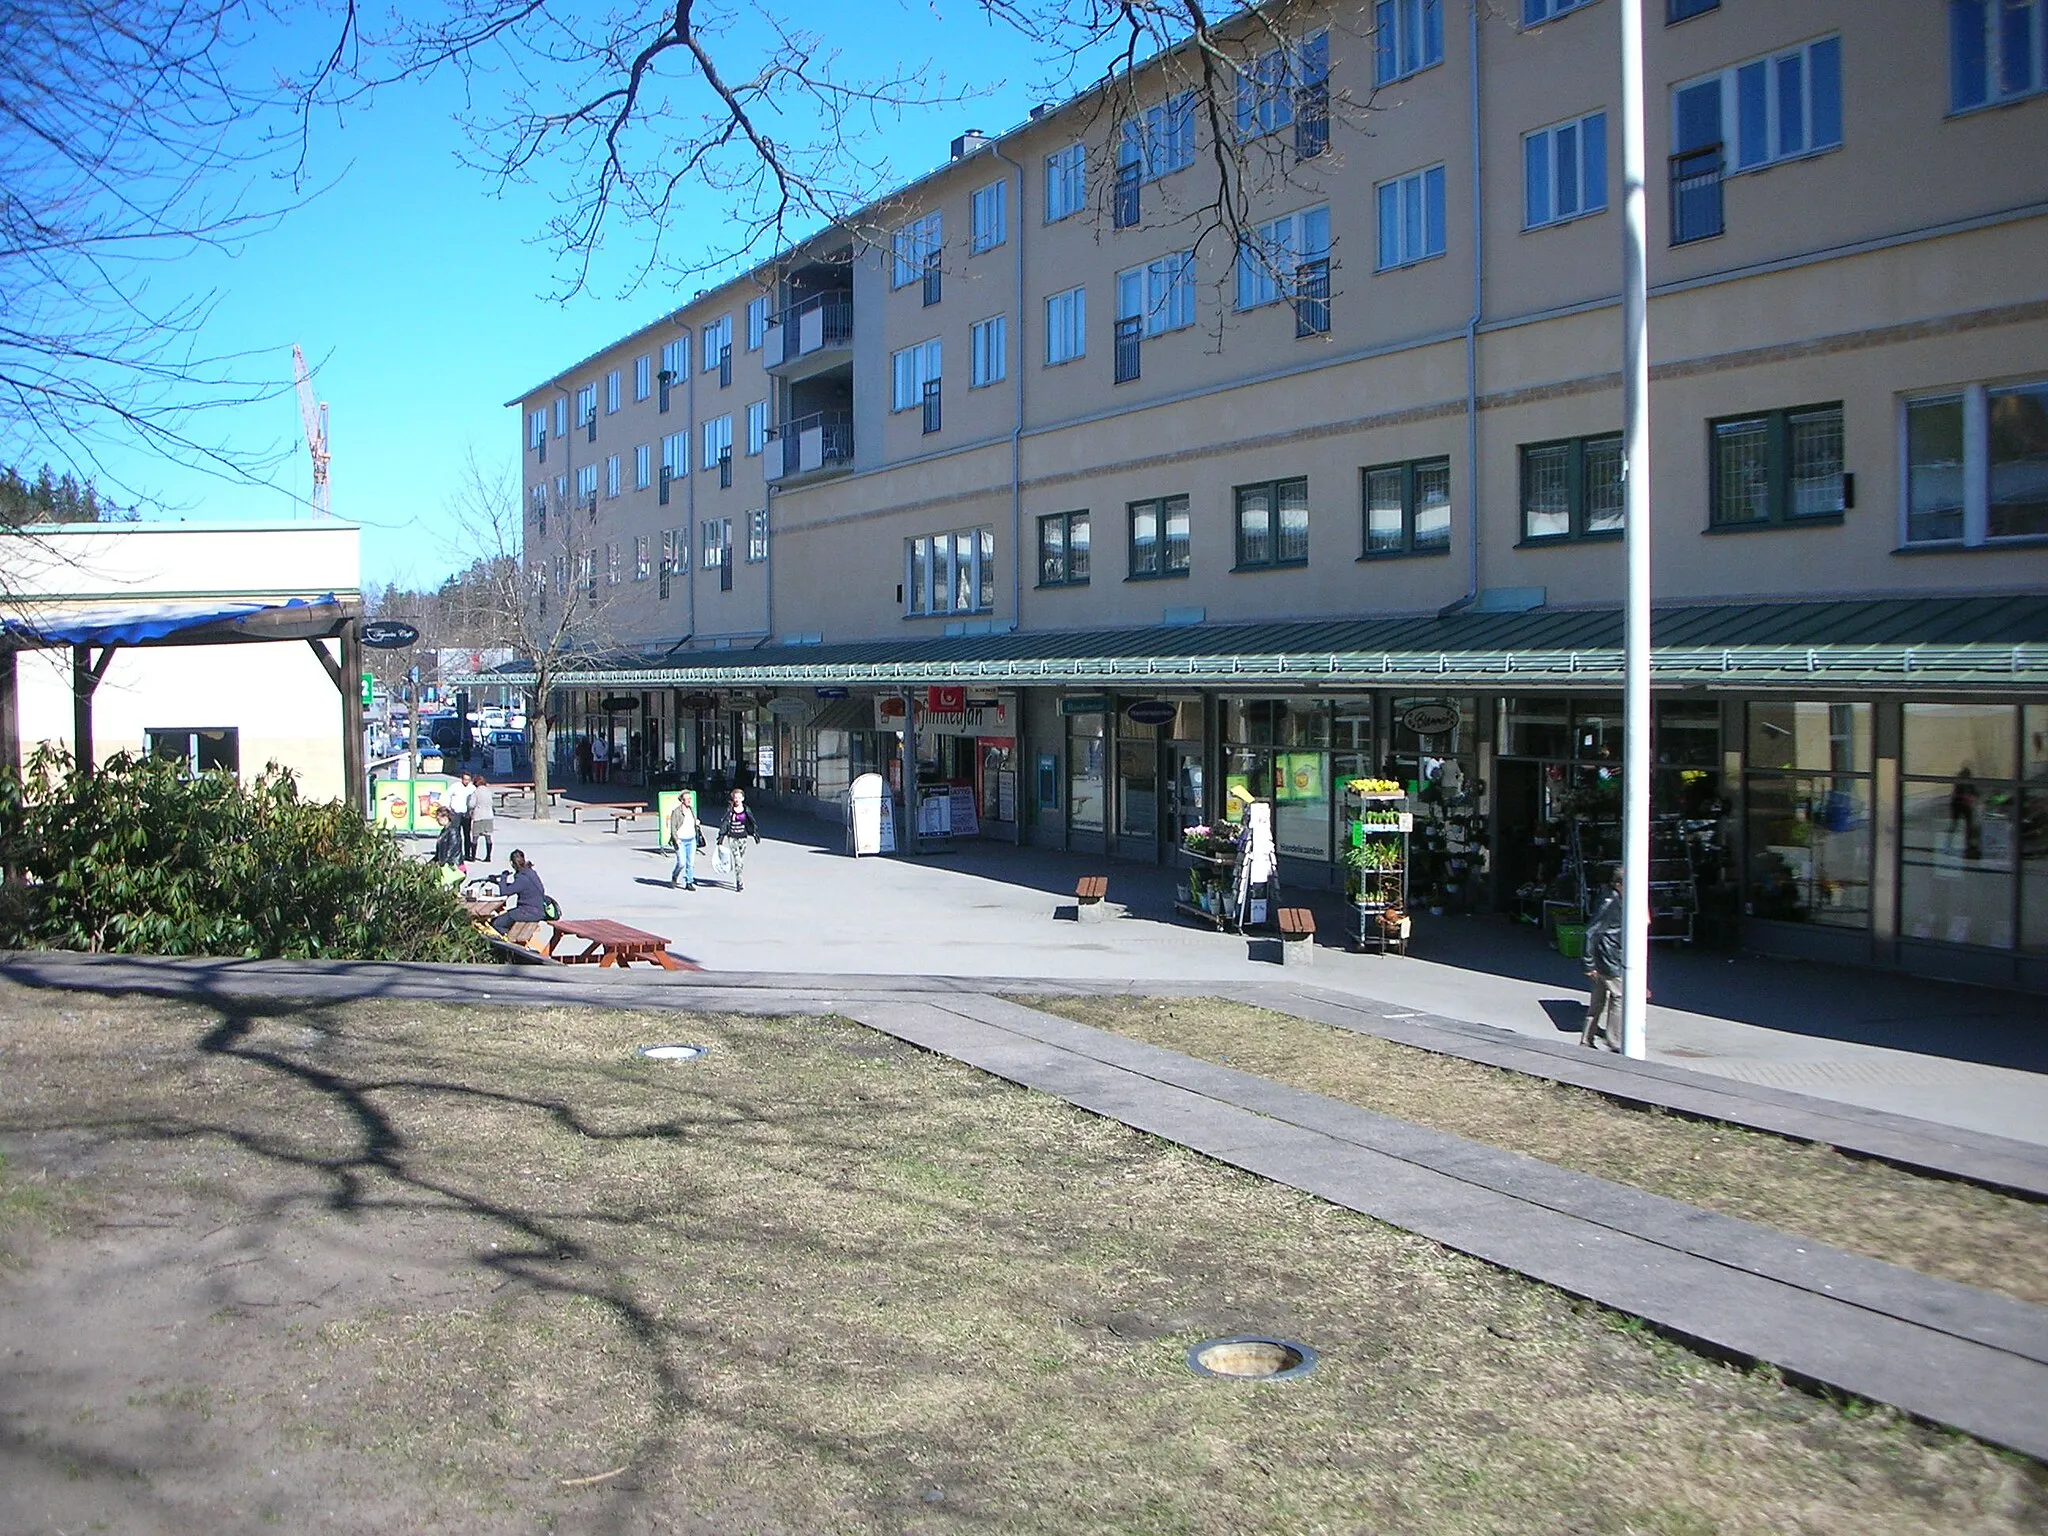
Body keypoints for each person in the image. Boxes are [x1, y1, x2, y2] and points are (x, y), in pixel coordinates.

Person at [1581, 867, 1625, 1050]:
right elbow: (1590, 932)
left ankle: (1587, 1038)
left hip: (1604, 957)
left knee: (1598, 1000)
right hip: (1609, 958)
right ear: (1618, 884)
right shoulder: (1610, 902)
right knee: (1619, 996)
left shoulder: (1613, 897)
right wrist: (1588, 963)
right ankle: (1614, 1040)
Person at [492, 850, 548, 935]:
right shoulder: (530, 872)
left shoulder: (522, 878)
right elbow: (517, 887)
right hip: (537, 910)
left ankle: (509, 940)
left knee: (496, 923)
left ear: (512, 863)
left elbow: (504, 892)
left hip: (529, 912)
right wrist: (498, 882)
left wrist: (503, 877)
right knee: (506, 917)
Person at [718, 787, 762, 891]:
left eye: (739, 797)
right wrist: (721, 836)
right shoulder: (730, 810)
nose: (737, 799)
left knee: (741, 861)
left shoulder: (746, 810)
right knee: (738, 861)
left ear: (743, 798)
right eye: (735, 797)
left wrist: (755, 833)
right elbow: (725, 823)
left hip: (743, 837)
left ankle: (739, 874)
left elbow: (751, 822)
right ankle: (739, 881)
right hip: (733, 837)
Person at [667, 792, 702, 890]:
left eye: (690, 798)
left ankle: (689, 882)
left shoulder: (692, 810)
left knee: (690, 862)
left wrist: (697, 822)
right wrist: (676, 839)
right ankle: (675, 875)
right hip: (680, 840)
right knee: (681, 862)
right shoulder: (676, 812)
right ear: (682, 800)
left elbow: (693, 822)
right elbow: (673, 827)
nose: (690, 801)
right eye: (687, 799)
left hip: (691, 839)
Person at [446, 773, 475, 861]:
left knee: (467, 835)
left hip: (466, 814)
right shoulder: (455, 786)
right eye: (465, 779)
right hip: (456, 813)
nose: (466, 781)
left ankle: (467, 854)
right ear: (461, 779)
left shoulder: (472, 788)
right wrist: (448, 808)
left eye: (468, 780)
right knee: (456, 834)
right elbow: (447, 795)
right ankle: (456, 852)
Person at [470, 779, 495, 863]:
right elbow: (491, 802)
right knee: (488, 837)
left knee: (475, 837)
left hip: (479, 816)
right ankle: (488, 856)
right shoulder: (489, 791)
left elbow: (471, 804)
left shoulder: (476, 792)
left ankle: (473, 857)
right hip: (488, 816)